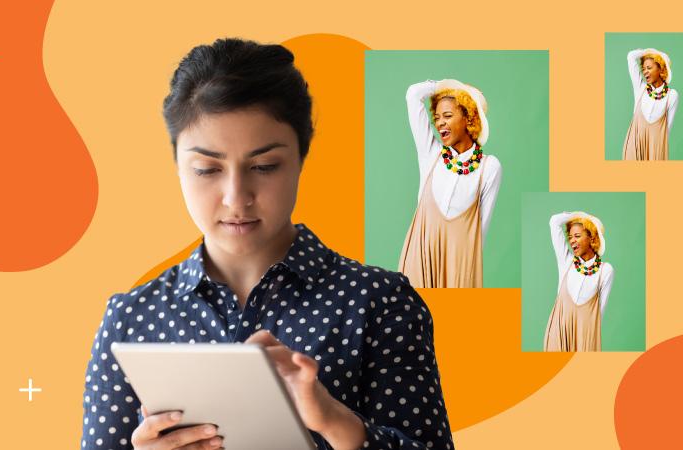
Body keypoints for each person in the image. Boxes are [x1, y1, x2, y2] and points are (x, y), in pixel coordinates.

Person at [80, 37, 453, 450]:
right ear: (177, 165)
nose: (236, 197)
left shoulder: (379, 302)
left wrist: (335, 421)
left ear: (301, 158)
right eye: (207, 169)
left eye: (264, 166)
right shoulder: (130, 320)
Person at [398, 79, 502, 288]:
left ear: (468, 119)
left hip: (460, 265)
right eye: (436, 118)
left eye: (448, 116)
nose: (440, 123)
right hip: (420, 258)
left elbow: (480, 230)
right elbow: (413, 94)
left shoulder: (489, 167)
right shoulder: (431, 153)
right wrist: (445, 85)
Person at [543, 212, 615, 351]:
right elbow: (554, 221)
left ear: (591, 238)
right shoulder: (566, 261)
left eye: (577, 236)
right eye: (570, 237)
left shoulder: (605, 271)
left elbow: (599, 313)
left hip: (586, 337)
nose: (572, 241)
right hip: (558, 334)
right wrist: (581, 215)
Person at [622, 48, 679, 161]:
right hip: (635, 146)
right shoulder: (640, 88)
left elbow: (667, 129)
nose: (645, 72)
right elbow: (631, 56)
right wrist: (649, 52)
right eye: (643, 69)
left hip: (656, 149)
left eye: (649, 68)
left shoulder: (672, 95)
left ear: (660, 69)